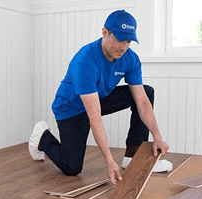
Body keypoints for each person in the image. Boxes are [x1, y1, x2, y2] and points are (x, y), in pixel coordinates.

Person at [28, 10, 172, 185]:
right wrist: (109, 161)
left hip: (99, 98)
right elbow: (94, 117)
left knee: (146, 92)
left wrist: (157, 135)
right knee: (71, 168)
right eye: (119, 40)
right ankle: (42, 137)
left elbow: (141, 101)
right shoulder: (86, 60)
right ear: (104, 32)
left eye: (128, 42)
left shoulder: (130, 58)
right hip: (71, 108)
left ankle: (133, 155)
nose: (124, 47)